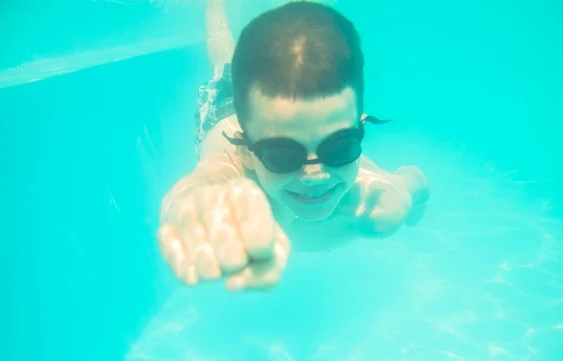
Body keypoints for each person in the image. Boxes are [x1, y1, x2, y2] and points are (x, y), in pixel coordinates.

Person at [157, 0, 430, 292]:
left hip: (260, 116)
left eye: (339, 147)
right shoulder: (232, 188)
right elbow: (190, 196)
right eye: (283, 155)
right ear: (246, 152)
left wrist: (414, 214)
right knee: (224, 63)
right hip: (223, 111)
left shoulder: (380, 207)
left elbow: (417, 181)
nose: (315, 175)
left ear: (360, 129)